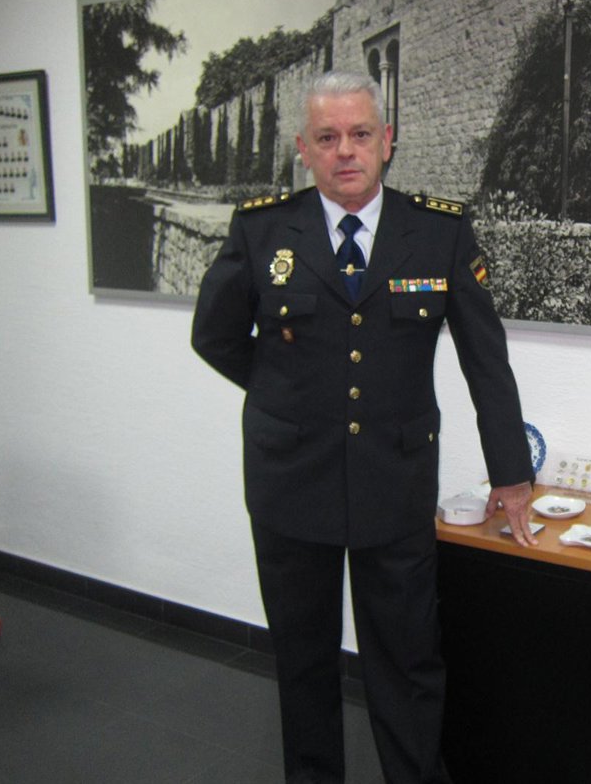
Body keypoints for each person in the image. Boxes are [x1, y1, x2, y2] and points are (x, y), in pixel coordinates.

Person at [192, 70, 536, 784]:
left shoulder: (437, 231)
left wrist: (511, 474)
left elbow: (486, 360)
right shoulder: (262, 229)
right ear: (303, 149)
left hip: (395, 480)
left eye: (359, 134)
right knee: (304, 661)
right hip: (290, 479)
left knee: (407, 662)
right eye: (327, 137)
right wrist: (286, 394)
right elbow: (214, 335)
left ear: (387, 141)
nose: (344, 151)